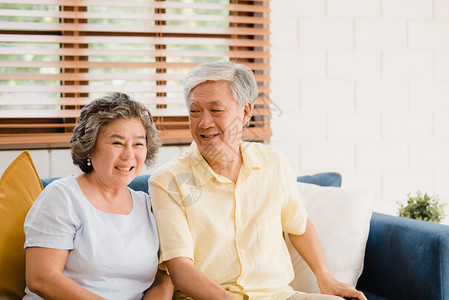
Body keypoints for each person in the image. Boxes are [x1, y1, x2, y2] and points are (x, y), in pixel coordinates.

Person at [149, 61, 367, 300]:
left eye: (216, 110)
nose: (204, 123)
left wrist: (325, 277)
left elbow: (299, 227)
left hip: (279, 295)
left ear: (244, 112)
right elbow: (180, 270)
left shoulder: (273, 163)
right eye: (194, 111)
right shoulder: (168, 182)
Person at [23, 93, 173, 299]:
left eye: (138, 144)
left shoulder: (148, 204)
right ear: (90, 146)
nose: (129, 155)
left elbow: (162, 278)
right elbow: (41, 278)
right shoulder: (62, 196)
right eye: (117, 143)